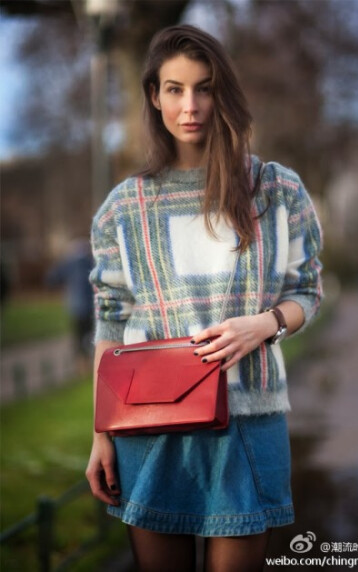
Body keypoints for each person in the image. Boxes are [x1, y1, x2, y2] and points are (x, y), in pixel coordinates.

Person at [86, 24, 323, 572]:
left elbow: (307, 292)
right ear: (154, 95)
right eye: (174, 89)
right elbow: (111, 321)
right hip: (149, 425)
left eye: (204, 87)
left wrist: (263, 324)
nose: (189, 105)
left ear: (224, 94)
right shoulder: (125, 207)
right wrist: (101, 435)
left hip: (247, 420)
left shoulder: (276, 189)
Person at [46, 238, 94, 374]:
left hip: (76, 307)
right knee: (90, 335)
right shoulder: (90, 262)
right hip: (91, 307)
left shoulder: (68, 263)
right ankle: (90, 362)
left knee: (79, 337)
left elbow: (51, 278)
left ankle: (82, 365)